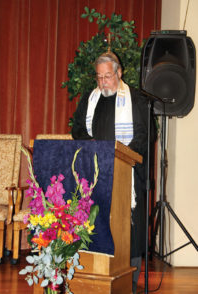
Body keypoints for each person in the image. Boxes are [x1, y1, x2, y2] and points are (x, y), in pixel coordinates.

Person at [72, 50, 155, 293]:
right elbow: (77, 127)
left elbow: (146, 134)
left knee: (130, 230)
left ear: (119, 73)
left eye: (107, 76)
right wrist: (91, 149)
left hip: (127, 173)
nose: (103, 82)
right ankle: (94, 275)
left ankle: (129, 281)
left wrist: (121, 156)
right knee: (95, 223)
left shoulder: (137, 99)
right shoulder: (90, 97)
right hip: (94, 172)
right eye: (99, 77)